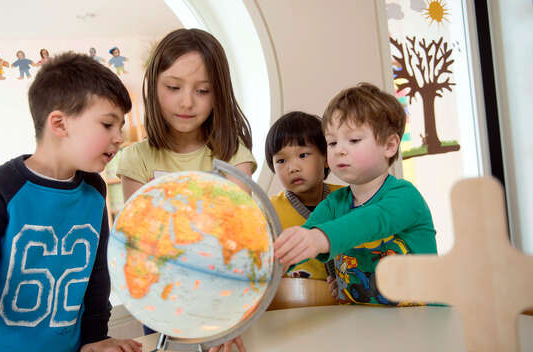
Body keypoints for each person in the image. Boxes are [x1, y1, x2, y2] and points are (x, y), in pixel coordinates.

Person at [0, 52, 142, 352]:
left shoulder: (95, 190)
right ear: (59, 124)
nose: (119, 137)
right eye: (108, 125)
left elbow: (96, 276)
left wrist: (95, 338)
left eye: (120, 127)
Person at [116, 28, 256, 352]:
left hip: (223, 299)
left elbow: (238, 244)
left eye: (203, 90)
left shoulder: (234, 156)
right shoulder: (135, 159)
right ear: (154, 88)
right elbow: (140, 246)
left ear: (218, 93)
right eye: (173, 87)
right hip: (160, 298)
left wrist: (229, 316)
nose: (187, 102)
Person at [274, 82, 437, 306]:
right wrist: (271, 263)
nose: (339, 149)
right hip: (366, 326)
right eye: (331, 142)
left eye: (353, 140)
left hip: (426, 322)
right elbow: (300, 243)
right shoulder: (333, 204)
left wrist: (318, 238)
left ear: (389, 145)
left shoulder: (405, 197)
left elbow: (370, 221)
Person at [265, 111, 341, 281]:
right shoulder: (269, 212)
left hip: (349, 301)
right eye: (281, 161)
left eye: (303, 155)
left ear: (326, 157)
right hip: (295, 302)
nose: (293, 168)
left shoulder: (348, 199)